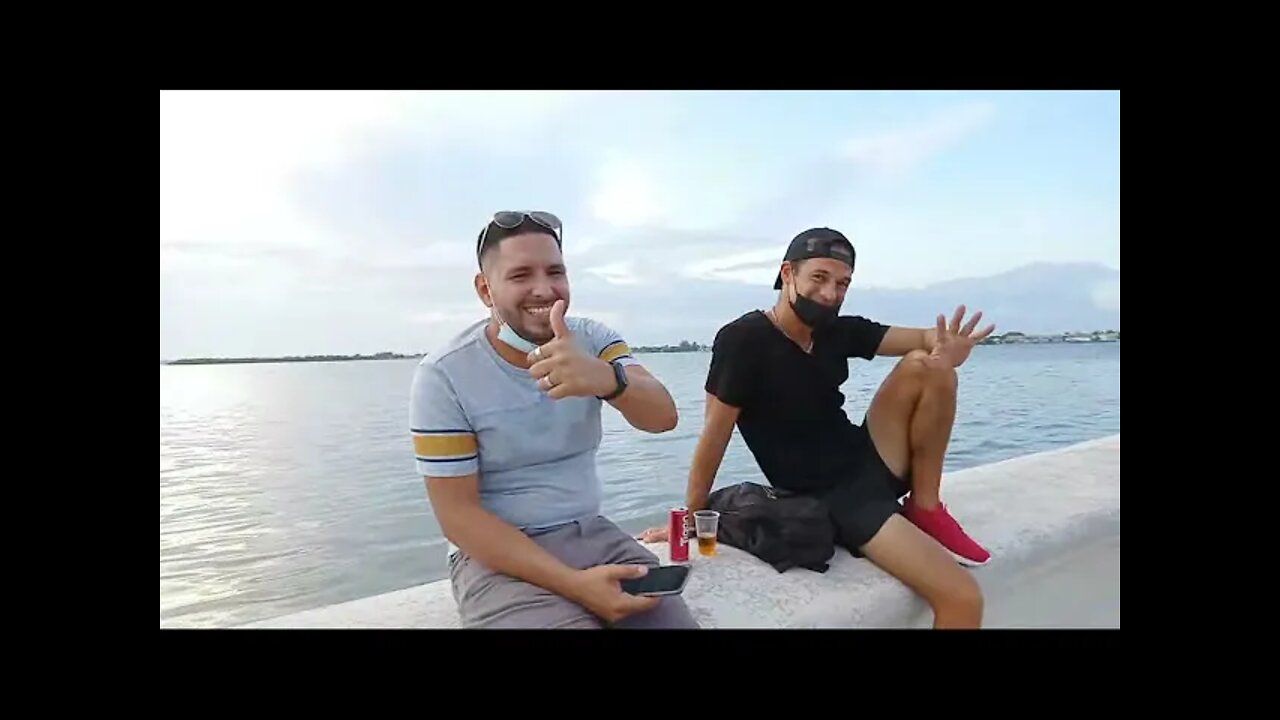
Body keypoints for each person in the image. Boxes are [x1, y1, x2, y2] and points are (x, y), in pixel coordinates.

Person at [642, 227, 994, 629]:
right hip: (836, 497)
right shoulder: (744, 340)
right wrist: (691, 513)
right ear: (788, 273)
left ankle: (925, 505)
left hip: (870, 459)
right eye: (820, 279)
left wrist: (949, 346)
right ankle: (907, 514)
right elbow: (714, 434)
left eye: (842, 284)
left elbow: (928, 338)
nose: (831, 294)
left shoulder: (836, 330)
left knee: (928, 365)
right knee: (963, 599)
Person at [410, 210, 699, 629]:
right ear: (485, 289)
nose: (544, 289)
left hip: (592, 534)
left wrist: (606, 380)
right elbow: (458, 516)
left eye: (555, 272)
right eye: (521, 275)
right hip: (498, 557)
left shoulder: (594, 340)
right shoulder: (444, 375)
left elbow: (663, 417)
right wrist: (575, 586)